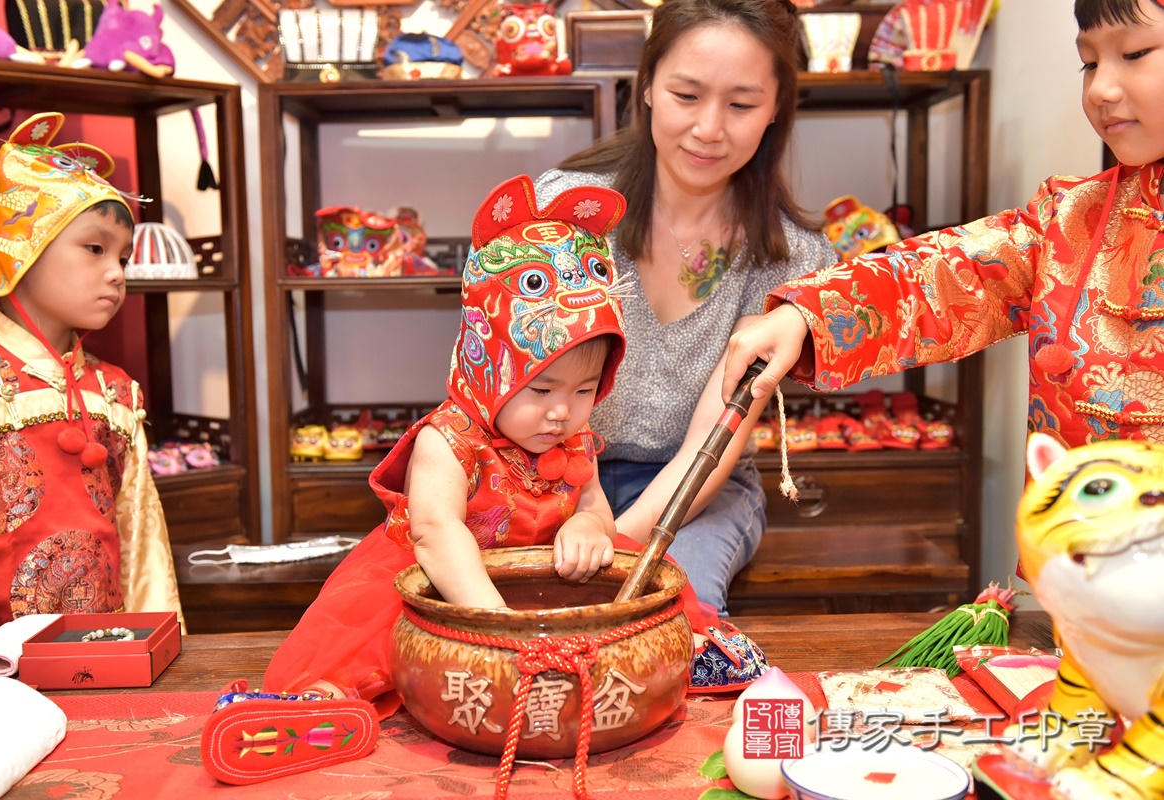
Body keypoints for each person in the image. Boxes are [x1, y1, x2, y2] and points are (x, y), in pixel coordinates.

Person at [201, 174, 644, 785]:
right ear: (484, 363)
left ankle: (688, 655)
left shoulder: (569, 440)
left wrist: (592, 524)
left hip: (532, 577)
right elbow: (437, 532)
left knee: (641, 575)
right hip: (444, 572)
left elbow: (594, 503)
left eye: (586, 390)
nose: (562, 411)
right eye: (540, 389)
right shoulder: (450, 439)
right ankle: (320, 705)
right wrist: (494, 625)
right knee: (374, 626)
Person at [720, 0, 1164, 454]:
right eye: (1089, 63)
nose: (1100, 90)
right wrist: (806, 315)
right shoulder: (1074, 217)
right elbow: (947, 275)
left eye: (1135, 54)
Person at [534, 0, 839, 617]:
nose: (708, 128)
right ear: (647, 86)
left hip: (700, 487)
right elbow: (505, 383)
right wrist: (584, 513)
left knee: (675, 618)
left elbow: (712, 439)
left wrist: (614, 546)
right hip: (551, 472)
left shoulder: (794, 262)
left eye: (741, 104)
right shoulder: (561, 212)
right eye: (686, 95)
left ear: (776, 108)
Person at [0, 112, 181, 669]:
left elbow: (140, 535)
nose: (117, 273)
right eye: (94, 248)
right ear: (22, 248)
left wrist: (159, 636)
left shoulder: (116, 392)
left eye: (122, 257)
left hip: (104, 658)